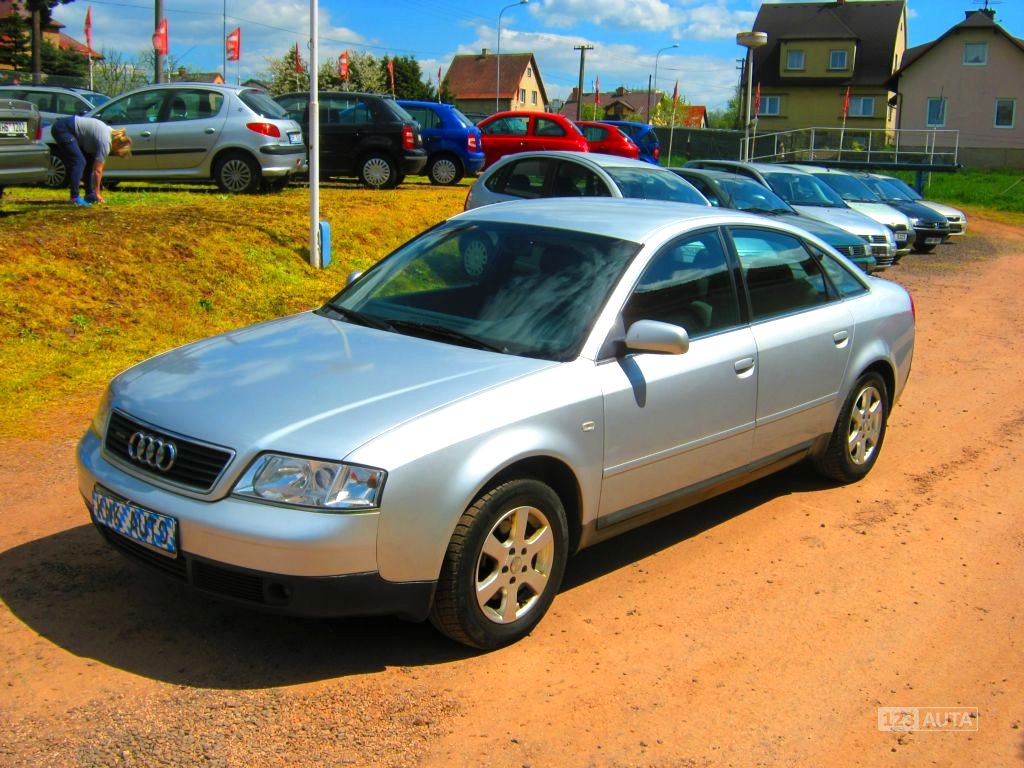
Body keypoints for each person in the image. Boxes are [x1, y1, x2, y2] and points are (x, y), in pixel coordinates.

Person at [50, 116, 132, 206]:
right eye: (116, 151)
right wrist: (98, 193)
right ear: (117, 143)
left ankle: (89, 195)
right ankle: (74, 197)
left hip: (67, 128)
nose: (114, 152)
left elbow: (93, 166)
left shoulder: (109, 132)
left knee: (89, 161)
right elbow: (98, 171)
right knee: (79, 161)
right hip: (63, 129)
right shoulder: (106, 142)